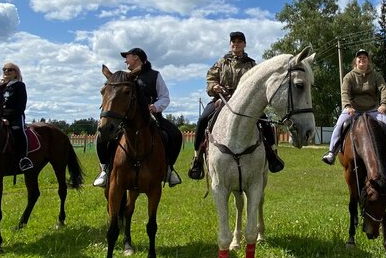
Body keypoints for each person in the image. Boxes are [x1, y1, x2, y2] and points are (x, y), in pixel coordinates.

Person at [188, 31, 284, 180]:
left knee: (265, 123)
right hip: (221, 99)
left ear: (244, 44)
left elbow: (258, 83)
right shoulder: (221, 63)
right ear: (230, 44)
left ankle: (272, 154)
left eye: (239, 41)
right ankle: (197, 159)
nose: (236, 44)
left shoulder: (252, 64)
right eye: (233, 41)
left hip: (246, 103)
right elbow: (211, 79)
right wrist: (214, 87)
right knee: (202, 120)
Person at [93, 48, 183, 188]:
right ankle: (105, 169)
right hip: (126, 119)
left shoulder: (154, 75)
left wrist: (155, 106)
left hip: (152, 116)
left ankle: (169, 169)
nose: (125, 60)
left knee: (175, 134)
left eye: (127, 57)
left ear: (136, 58)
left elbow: (165, 97)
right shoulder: (123, 77)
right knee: (101, 137)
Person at [321, 50, 386, 172]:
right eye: (359, 58)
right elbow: (345, 92)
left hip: (373, 110)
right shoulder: (349, 76)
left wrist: (384, 104)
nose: (362, 59)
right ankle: (332, 153)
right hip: (353, 110)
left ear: (368, 61)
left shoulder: (376, 76)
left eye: (365, 58)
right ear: (355, 61)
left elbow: (383, 88)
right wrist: (347, 106)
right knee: (339, 125)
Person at [0, 62, 33, 172]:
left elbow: (20, 106)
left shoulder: (19, 86)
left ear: (16, 73)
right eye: (4, 69)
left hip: (15, 116)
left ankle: (24, 158)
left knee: (18, 130)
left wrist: (7, 119)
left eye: (10, 70)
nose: (6, 71)